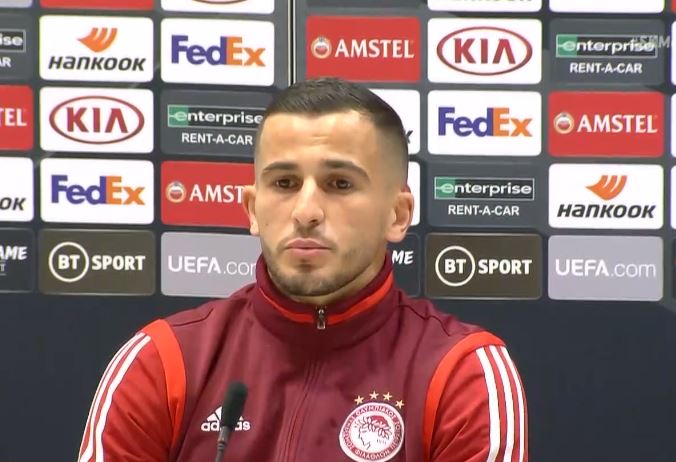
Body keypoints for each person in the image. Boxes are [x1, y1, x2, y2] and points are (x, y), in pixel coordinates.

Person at [77, 77, 528, 462]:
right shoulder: (162, 361)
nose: (306, 211)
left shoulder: (462, 373)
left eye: (340, 183)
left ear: (397, 215)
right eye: (285, 183)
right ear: (252, 209)